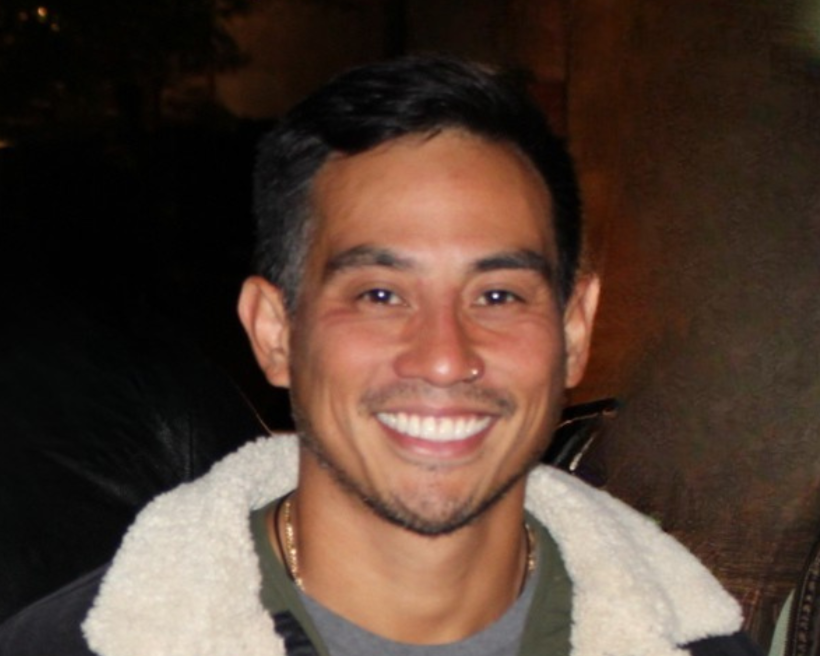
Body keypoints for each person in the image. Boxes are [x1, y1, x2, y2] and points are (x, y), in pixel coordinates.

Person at [0, 55, 761, 656]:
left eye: (498, 295)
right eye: (380, 295)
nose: (444, 358)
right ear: (275, 332)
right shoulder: (73, 646)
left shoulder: (701, 643)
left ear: (573, 331)